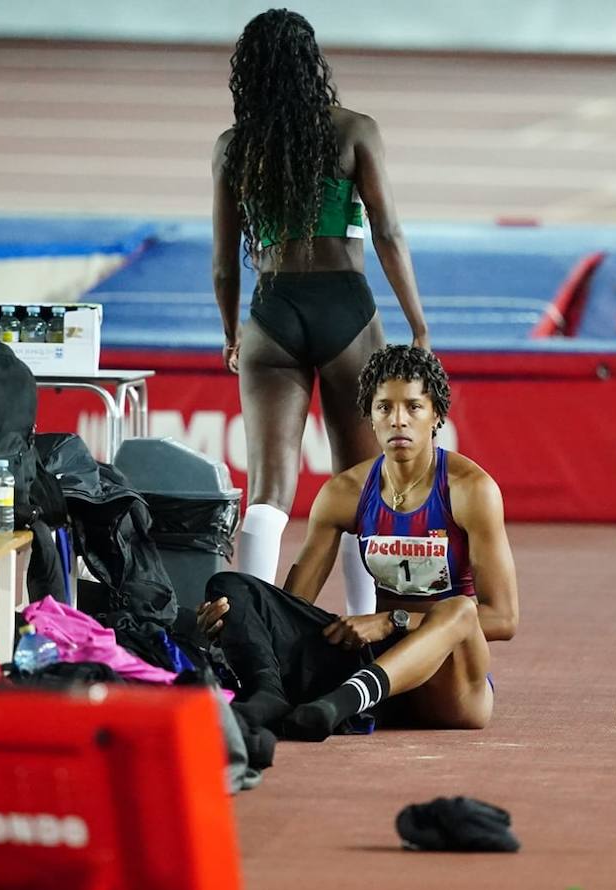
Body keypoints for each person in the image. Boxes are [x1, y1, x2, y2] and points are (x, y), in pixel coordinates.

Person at [211, 8, 431, 613]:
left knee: (268, 493)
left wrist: (233, 332)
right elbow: (387, 231)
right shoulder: (355, 131)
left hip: (271, 312)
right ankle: (363, 631)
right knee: (362, 485)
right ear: (314, 65)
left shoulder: (235, 148)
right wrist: (417, 322)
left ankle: (250, 631)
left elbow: (226, 263)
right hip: (347, 311)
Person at [199, 345, 519, 739]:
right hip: (373, 664)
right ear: (369, 415)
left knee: (459, 610)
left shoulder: (471, 489)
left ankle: (339, 705)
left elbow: (504, 618)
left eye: (413, 407)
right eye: (384, 407)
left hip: (450, 685)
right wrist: (240, 622)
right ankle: (268, 695)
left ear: (436, 414)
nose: (398, 420)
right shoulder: (346, 491)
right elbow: (292, 604)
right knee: (235, 588)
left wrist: (393, 622)